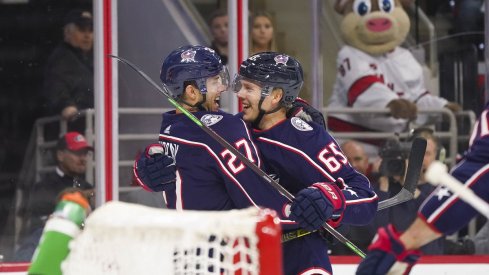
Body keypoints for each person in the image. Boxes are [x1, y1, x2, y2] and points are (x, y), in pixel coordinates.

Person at [233, 52, 378, 274]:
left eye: (249, 88)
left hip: (301, 256)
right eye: (240, 86)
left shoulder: (305, 138)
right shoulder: (234, 130)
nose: (240, 94)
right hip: (247, 257)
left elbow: (366, 198)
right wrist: (161, 156)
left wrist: (329, 197)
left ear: (275, 96)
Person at [356, 101, 489, 274]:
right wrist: (384, 186)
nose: (422, 159)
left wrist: (403, 243)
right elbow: (370, 227)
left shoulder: (436, 189)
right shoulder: (390, 188)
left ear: (439, 156)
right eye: (417, 153)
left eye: (427, 153)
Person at [14, 131, 94, 261]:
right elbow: (38, 226)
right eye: (77, 153)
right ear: (60, 155)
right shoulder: (44, 186)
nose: (83, 158)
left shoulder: (88, 186)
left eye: (85, 153)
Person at [42, 9, 94, 131]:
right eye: (81, 30)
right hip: (74, 130)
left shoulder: (97, 58)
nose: (87, 35)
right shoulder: (61, 58)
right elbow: (56, 86)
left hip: (97, 127)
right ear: (67, 33)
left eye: (90, 30)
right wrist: (66, 105)